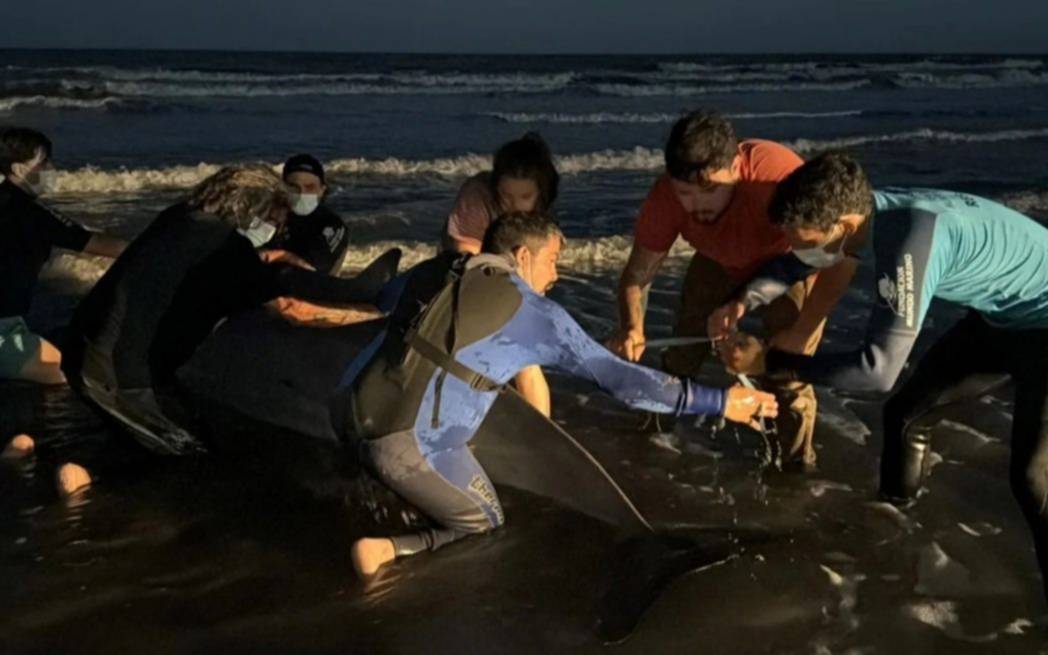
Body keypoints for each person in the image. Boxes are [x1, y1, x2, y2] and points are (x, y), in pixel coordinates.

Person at [340, 211, 779, 578]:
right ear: (523, 256)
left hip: (346, 410)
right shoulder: (534, 311)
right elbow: (625, 384)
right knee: (485, 522)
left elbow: (378, 302)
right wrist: (720, 402)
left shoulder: (438, 267)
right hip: (400, 443)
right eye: (552, 260)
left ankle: (384, 483)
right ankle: (389, 550)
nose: (556, 273)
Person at [715, 152, 1048, 604]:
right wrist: (740, 301)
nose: (799, 250)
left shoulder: (909, 239)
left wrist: (769, 366)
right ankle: (893, 529)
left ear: (845, 224)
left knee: (1032, 477)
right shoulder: (871, 215)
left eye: (806, 240)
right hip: (1004, 319)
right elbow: (797, 264)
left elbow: (876, 371)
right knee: (906, 417)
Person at [63, 164, 399, 455]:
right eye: (272, 219)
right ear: (252, 210)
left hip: (83, 344)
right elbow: (292, 309)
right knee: (184, 453)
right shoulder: (225, 247)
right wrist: (374, 318)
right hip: (115, 377)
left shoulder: (180, 218)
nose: (274, 230)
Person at [606, 111, 853, 468]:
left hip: (788, 262)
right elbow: (637, 275)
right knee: (681, 353)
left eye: (709, 189)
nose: (696, 204)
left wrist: (795, 331)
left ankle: (796, 468)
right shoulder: (666, 198)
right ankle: (651, 434)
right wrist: (632, 325)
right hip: (716, 258)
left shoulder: (777, 178)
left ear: (737, 165)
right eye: (685, 192)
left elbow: (826, 256)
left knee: (789, 370)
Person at [441, 132, 561, 418]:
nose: (514, 206)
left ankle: (540, 433)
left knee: (526, 356)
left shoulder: (542, 206)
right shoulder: (476, 196)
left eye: (525, 197)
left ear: (540, 193)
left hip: (517, 268)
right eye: (506, 196)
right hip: (467, 273)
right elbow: (466, 261)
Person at [0, 127, 127, 384]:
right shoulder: (27, 211)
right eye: (44, 162)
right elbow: (91, 242)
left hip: (11, 324)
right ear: (19, 170)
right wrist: (146, 248)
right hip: (3, 331)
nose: (51, 168)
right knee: (70, 380)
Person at [271, 154, 349, 275]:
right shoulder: (271, 216)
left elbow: (313, 268)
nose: (302, 193)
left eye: (310, 187)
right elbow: (241, 249)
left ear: (322, 190)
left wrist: (277, 255)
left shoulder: (333, 224)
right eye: (293, 187)